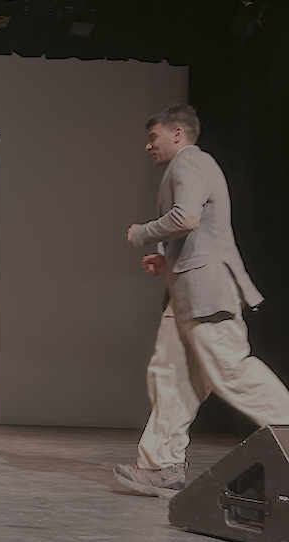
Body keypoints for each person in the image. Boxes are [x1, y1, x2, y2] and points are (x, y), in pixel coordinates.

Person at [114, 104, 289, 499]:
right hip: (186, 293)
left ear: (177, 134)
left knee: (230, 370)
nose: (148, 145)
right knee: (170, 375)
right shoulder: (191, 165)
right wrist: (167, 260)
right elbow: (198, 232)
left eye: (153, 136)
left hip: (207, 292)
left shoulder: (190, 162)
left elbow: (186, 217)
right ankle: (161, 466)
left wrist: (142, 233)